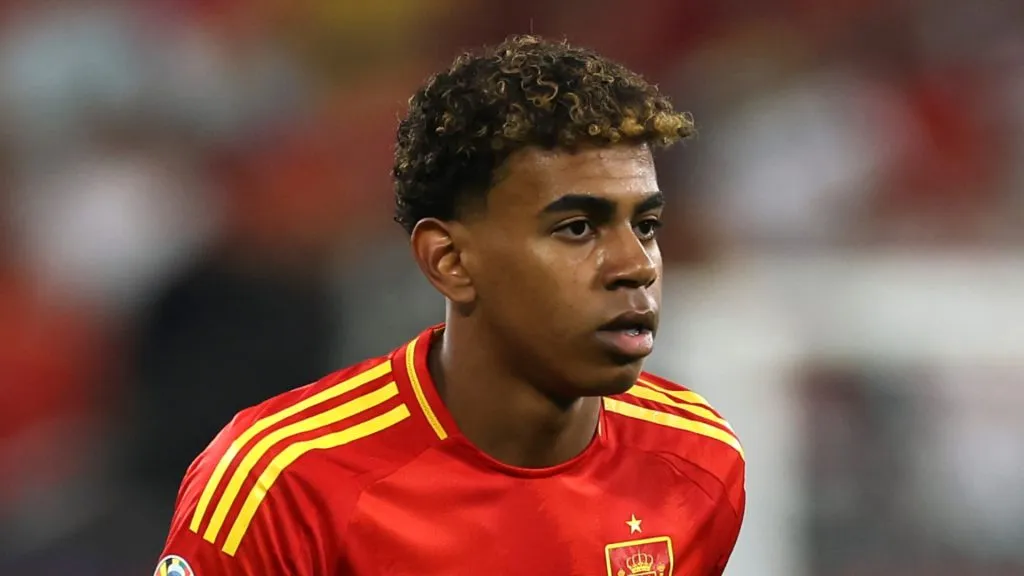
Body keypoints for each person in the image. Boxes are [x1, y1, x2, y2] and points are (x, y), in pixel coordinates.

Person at [154, 35, 745, 576]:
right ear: (450, 261)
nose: (635, 266)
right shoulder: (281, 481)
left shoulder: (697, 462)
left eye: (645, 225)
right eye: (576, 228)